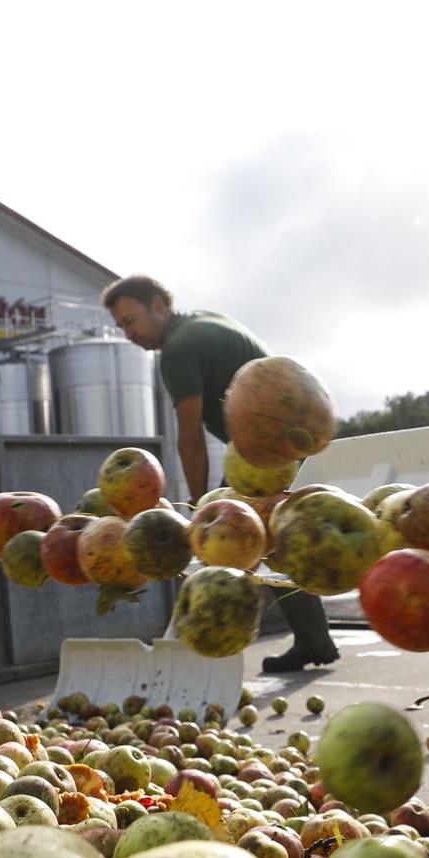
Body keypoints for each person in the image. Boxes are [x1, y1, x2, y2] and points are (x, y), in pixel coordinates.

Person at [102, 274, 339, 672]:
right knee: (275, 537)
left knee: (234, 543)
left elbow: (190, 438)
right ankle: (313, 639)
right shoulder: (206, 320)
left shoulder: (177, 349)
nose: (128, 334)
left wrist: (200, 510)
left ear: (158, 305)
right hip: (287, 441)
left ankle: (213, 647)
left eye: (130, 321)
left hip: (262, 456)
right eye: (121, 326)